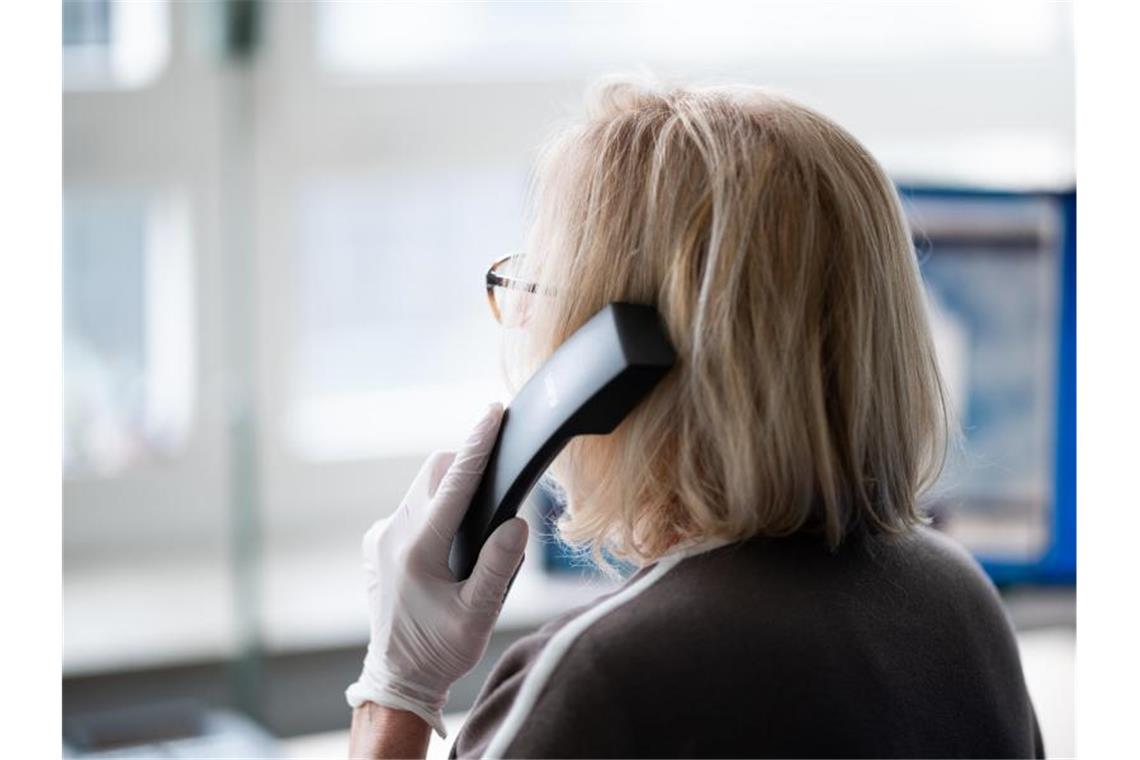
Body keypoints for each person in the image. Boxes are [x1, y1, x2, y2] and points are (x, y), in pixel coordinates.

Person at [345, 79, 1044, 759]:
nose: (523, 320)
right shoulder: (957, 600)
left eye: (539, 288)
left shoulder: (600, 681)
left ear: (611, 362)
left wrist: (394, 694)